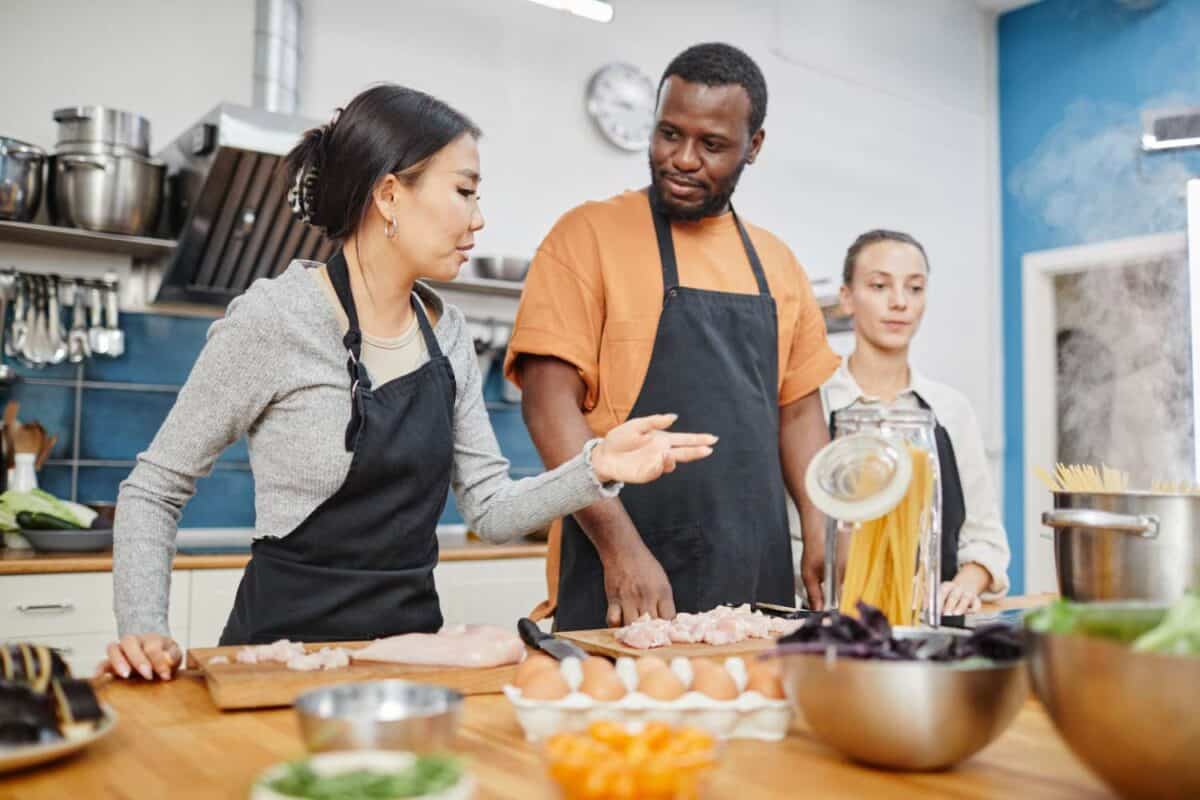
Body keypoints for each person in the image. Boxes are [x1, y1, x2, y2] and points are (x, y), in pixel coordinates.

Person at [100, 84, 717, 681]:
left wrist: (597, 465)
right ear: (391, 195)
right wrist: (143, 627)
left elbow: (491, 509)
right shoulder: (275, 319)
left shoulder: (447, 334)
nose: (479, 219)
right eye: (465, 192)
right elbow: (154, 488)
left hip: (413, 661)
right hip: (280, 661)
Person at [504, 43, 840, 631]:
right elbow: (547, 403)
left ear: (753, 147)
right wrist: (621, 550)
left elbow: (799, 412)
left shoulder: (777, 263)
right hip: (622, 573)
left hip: (757, 571)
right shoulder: (587, 235)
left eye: (711, 145)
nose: (682, 159)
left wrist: (819, 524)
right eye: (667, 134)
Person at [821, 229, 1010, 614]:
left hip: (932, 624)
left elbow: (984, 536)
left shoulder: (951, 409)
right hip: (833, 624)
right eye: (879, 285)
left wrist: (964, 585)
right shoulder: (813, 406)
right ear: (846, 298)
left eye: (915, 288)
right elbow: (791, 540)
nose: (899, 303)